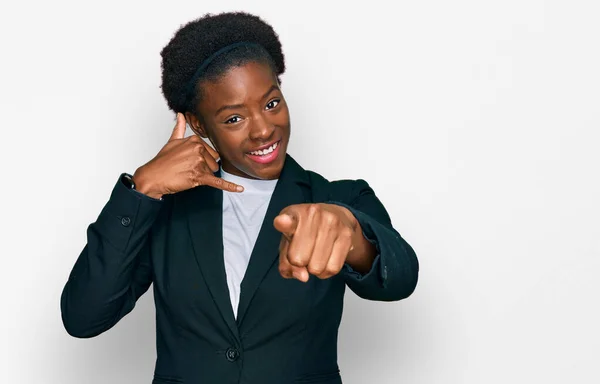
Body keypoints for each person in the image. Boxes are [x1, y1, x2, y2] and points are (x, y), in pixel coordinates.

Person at [60, 11, 419, 384]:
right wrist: (142, 189)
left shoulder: (337, 196)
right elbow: (84, 317)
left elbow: (399, 279)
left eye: (271, 103)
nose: (264, 129)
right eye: (234, 119)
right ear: (199, 125)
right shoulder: (165, 213)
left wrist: (350, 232)